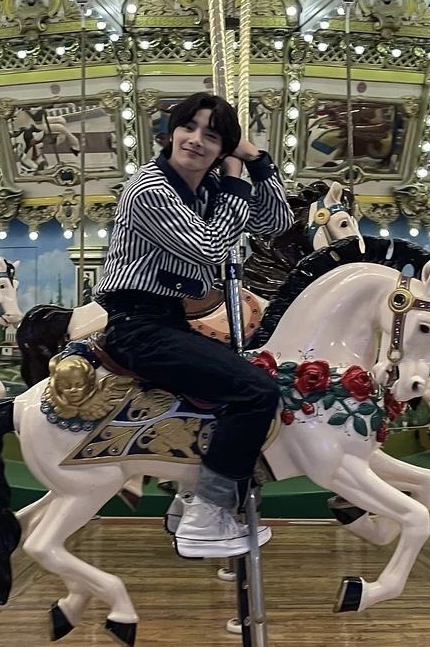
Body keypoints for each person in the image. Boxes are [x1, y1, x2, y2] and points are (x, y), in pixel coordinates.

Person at [94, 92, 294, 558]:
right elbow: (208, 247)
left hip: (173, 321)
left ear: (223, 148)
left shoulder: (208, 190)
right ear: (172, 133)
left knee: (244, 380)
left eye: (213, 135)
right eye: (189, 127)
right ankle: (208, 514)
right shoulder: (149, 189)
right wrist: (235, 181)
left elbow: (276, 222)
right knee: (256, 393)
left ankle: (187, 496)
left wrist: (257, 162)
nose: (197, 140)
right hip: (137, 324)